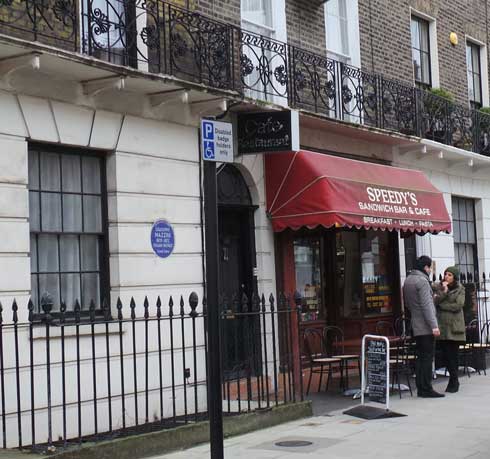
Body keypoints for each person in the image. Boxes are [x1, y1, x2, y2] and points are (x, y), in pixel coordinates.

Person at [403, 255, 444, 398]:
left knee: (420, 357)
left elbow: (408, 304)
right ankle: (426, 389)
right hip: (425, 326)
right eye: (430, 267)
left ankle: (421, 387)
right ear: (426, 267)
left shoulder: (408, 280)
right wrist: (434, 326)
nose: (431, 270)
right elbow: (427, 306)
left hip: (415, 323)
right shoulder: (422, 281)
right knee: (427, 357)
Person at [433, 266, 466, 393]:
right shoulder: (439, 287)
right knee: (446, 355)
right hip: (443, 326)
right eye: (446, 274)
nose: (446, 276)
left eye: (450, 275)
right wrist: (444, 291)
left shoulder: (460, 289)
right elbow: (435, 301)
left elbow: (458, 305)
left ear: (455, 277)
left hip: (454, 326)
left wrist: (443, 305)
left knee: (454, 355)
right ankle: (454, 380)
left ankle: (454, 381)